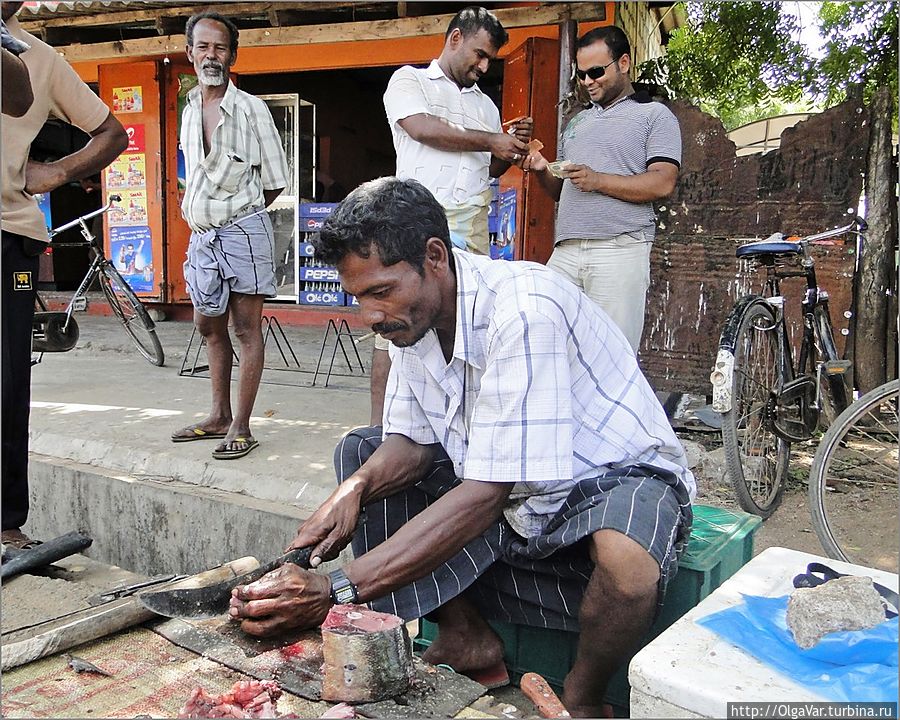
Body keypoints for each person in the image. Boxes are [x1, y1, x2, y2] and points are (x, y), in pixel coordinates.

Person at [228, 177, 696, 718]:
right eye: (359, 298)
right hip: (509, 484)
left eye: (381, 292)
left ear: (434, 257)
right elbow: (411, 445)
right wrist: (352, 492)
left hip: (604, 474)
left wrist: (336, 588)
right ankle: (466, 635)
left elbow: (486, 493)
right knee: (362, 453)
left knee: (628, 563)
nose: (370, 315)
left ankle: (585, 697)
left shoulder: (524, 310)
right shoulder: (412, 319)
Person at [1, 0, 128, 549]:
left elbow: (111, 133)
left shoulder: (37, 57)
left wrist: (57, 171)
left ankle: (5, 525)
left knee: (6, 380)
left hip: (7, 233)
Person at [372, 5, 533, 424]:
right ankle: (382, 431)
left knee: (467, 327)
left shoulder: (486, 107)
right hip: (415, 224)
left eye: (490, 60)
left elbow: (490, 169)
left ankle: (460, 425)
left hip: (472, 225)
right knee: (396, 326)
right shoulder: (410, 81)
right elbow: (422, 128)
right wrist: (491, 139)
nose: (484, 66)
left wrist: (509, 146)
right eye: (479, 54)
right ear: (455, 38)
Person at [170, 12, 288, 460]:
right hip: (202, 237)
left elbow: (275, 182)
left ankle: (241, 424)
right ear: (190, 53)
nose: (211, 56)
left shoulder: (252, 109)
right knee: (208, 325)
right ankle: (218, 415)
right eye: (203, 47)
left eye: (220, 48)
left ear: (232, 56)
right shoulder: (188, 111)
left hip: (243, 230)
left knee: (245, 328)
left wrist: (239, 212)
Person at [524, 26, 681, 353]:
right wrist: (542, 170)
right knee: (543, 342)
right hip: (566, 250)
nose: (587, 81)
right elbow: (561, 191)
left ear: (623, 63)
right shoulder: (577, 122)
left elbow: (663, 182)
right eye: (581, 75)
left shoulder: (655, 115)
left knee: (613, 356)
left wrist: (598, 180)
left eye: (596, 72)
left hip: (619, 247)